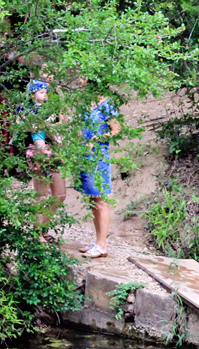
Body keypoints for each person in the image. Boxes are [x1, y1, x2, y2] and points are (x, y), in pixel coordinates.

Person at [75, 81, 120, 259]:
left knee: (100, 199)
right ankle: (98, 242)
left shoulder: (107, 104)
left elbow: (116, 130)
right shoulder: (86, 101)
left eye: (84, 76)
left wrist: (97, 138)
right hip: (84, 154)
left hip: (98, 155)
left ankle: (102, 245)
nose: (80, 79)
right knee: (93, 200)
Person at [19, 80, 66, 232]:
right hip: (36, 148)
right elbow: (21, 125)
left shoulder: (53, 103)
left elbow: (62, 123)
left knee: (59, 195)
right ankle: (37, 232)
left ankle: (41, 227)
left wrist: (50, 126)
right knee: (41, 194)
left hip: (54, 149)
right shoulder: (26, 107)